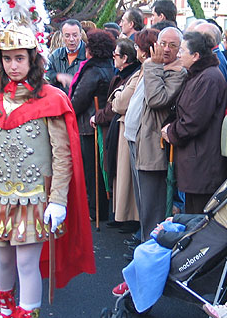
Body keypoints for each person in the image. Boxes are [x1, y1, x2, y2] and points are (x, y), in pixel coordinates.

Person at [0, 22, 95, 318]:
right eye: (7, 58)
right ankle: (6, 313)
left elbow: (62, 155)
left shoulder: (52, 100)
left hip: (34, 199)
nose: (13, 65)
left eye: (19, 58)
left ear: (33, 60)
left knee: (27, 264)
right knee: (2, 258)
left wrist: (58, 201)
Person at [124, 28, 185, 243]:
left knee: (152, 204)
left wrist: (154, 67)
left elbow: (157, 100)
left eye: (173, 45)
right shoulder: (153, 65)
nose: (166, 49)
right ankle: (144, 247)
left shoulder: (176, 71)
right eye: (163, 43)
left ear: (180, 49)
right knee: (142, 201)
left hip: (152, 145)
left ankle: (150, 249)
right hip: (135, 139)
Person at [162, 31, 227, 214]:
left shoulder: (208, 78)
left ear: (196, 56)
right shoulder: (198, 75)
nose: (179, 54)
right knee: (191, 212)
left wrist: (171, 132)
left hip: (202, 159)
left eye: (182, 50)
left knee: (198, 215)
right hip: (194, 158)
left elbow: (194, 121)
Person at [92, 38, 141, 228]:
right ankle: (120, 215)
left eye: (116, 55)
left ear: (125, 57)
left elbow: (119, 104)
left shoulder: (133, 76)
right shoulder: (120, 75)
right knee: (117, 174)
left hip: (124, 127)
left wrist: (99, 116)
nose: (114, 59)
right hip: (115, 127)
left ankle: (128, 218)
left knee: (125, 175)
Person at [69, 29, 115, 221]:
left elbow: (80, 98)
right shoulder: (109, 66)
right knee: (99, 168)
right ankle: (100, 208)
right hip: (100, 121)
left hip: (89, 125)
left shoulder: (93, 70)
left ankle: (95, 209)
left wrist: (69, 110)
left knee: (91, 169)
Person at [46, 19, 86, 93]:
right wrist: (57, 76)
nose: (71, 39)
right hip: (61, 100)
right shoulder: (56, 55)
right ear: (62, 36)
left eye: (75, 35)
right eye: (67, 36)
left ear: (80, 35)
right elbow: (45, 72)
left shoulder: (88, 55)